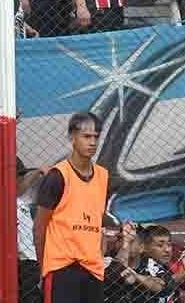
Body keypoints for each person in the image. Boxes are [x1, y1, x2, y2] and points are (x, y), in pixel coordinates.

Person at [35, 112, 110, 303]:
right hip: (62, 269)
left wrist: (99, 256)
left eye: (96, 137)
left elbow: (97, 222)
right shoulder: (57, 176)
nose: (92, 142)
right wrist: (44, 268)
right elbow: (40, 227)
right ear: (72, 137)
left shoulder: (103, 176)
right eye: (86, 136)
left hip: (92, 269)